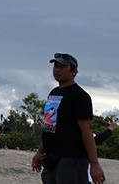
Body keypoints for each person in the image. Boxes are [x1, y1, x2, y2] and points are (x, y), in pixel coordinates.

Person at [31, 53, 106, 184]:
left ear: (74, 71)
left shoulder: (80, 96)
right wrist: (40, 152)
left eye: (62, 67)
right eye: (55, 66)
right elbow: (50, 126)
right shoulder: (54, 94)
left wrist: (94, 164)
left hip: (72, 159)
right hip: (51, 158)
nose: (57, 70)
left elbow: (87, 131)